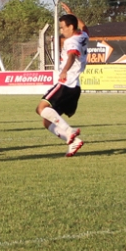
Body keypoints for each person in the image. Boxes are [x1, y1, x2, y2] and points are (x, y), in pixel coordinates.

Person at [36, 10, 87, 157]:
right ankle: (74, 142)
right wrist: (72, 13)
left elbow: (71, 56)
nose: (61, 30)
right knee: (46, 121)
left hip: (66, 84)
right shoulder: (83, 35)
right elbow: (84, 26)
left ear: (71, 27)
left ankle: (70, 131)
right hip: (75, 87)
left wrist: (64, 70)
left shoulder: (72, 41)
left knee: (41, 109)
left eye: (63, 27)